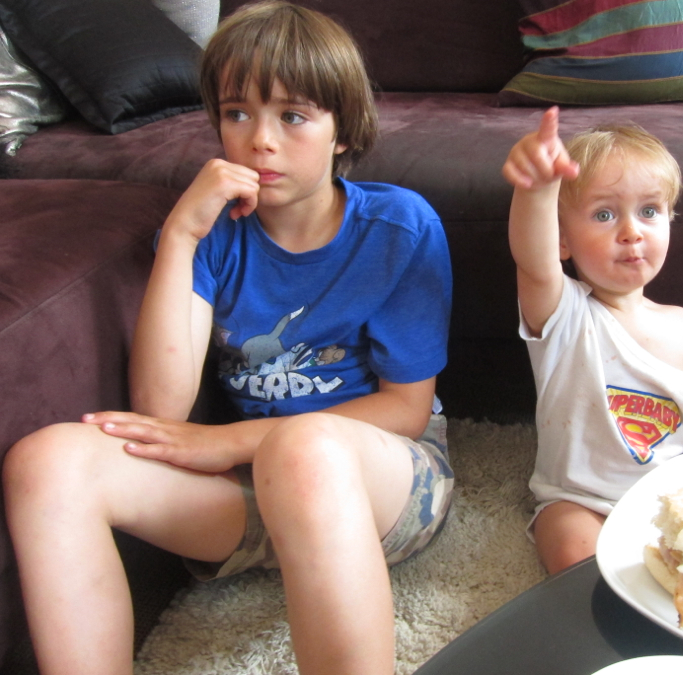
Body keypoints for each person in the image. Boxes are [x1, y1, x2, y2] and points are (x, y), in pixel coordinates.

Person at [3, 3, 454, 674]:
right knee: (45, 462)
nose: (259, 140)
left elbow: (406, 410)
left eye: (292, 116)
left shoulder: (399, 227)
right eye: (238, 113)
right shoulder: (210, 232)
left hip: (387, 487)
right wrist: (182, 235)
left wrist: (228, 442)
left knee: (304, 448)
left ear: (342, 131)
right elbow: (160, 410)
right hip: (250, 494)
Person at [502, 108, 683, 575]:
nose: (632, 232)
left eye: (649, 211)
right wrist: (536, 190)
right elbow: (533, 260)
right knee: (572, 551)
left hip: (669, 505)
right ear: (562, 240)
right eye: (605, 214)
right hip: (581, 500)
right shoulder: (566, 313)